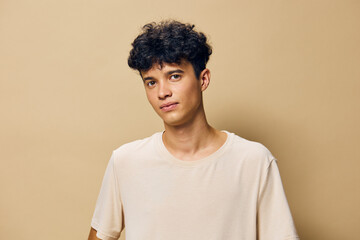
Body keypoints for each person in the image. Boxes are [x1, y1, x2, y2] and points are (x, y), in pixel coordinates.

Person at [88, 20, 299, 240]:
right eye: (151, 82)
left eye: (174, 76)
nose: (162, 92)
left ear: (203, 79)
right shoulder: (126, 161)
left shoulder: (253, 161)